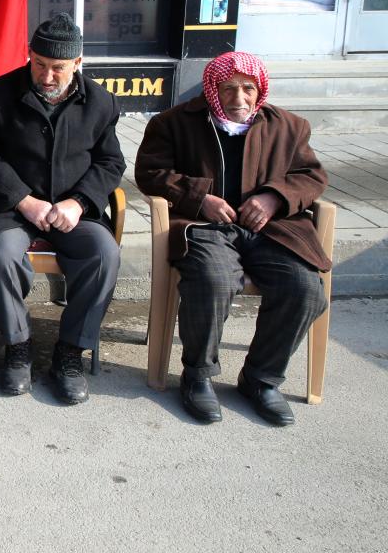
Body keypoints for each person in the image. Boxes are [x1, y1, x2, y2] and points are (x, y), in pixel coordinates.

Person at [135, 52, 330, 426]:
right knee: (213, 280)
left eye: (247, 89)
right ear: (212, 88)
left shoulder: (290, 127)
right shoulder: (173, 123)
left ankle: (261, 379)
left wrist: (274, 197)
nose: (238, 99)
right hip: (205, 227)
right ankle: (198, 375)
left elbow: (312, 176)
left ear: (259, 90)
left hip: (273, 229)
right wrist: (199, 198)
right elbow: (150, 173)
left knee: (304, 288)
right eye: (228, 89)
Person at [0, 13, 124, 405]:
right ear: (29, 56)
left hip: (72, 212)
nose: (47, 76)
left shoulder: (101, 102)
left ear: (77, 63)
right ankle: (18, 347)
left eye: (58, 68)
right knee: (2, 254)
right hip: (12, 209)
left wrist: (79, 202)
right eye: (39, 64)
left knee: (104, 254)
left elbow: (111, 162)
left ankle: (70, 353)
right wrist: (23, 199)